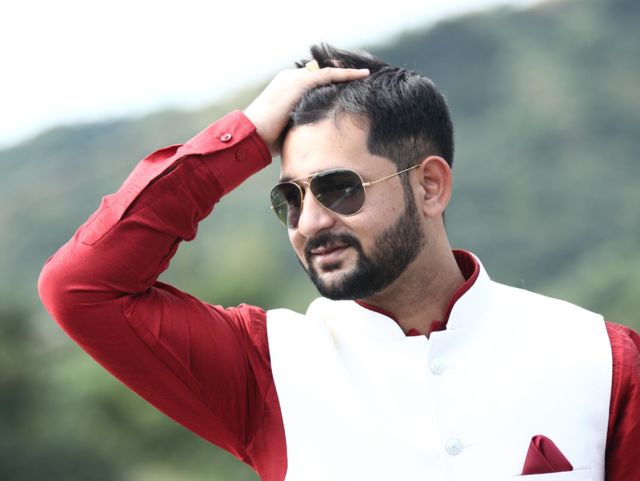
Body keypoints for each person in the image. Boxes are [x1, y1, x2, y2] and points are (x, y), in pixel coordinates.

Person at [38, 44, 639, 481]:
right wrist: (244, 135)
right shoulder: (265, 368)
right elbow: (82, 287)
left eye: (338, 188)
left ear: (430, 186)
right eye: (289, 197)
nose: (308, 222)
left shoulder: (604, 360)